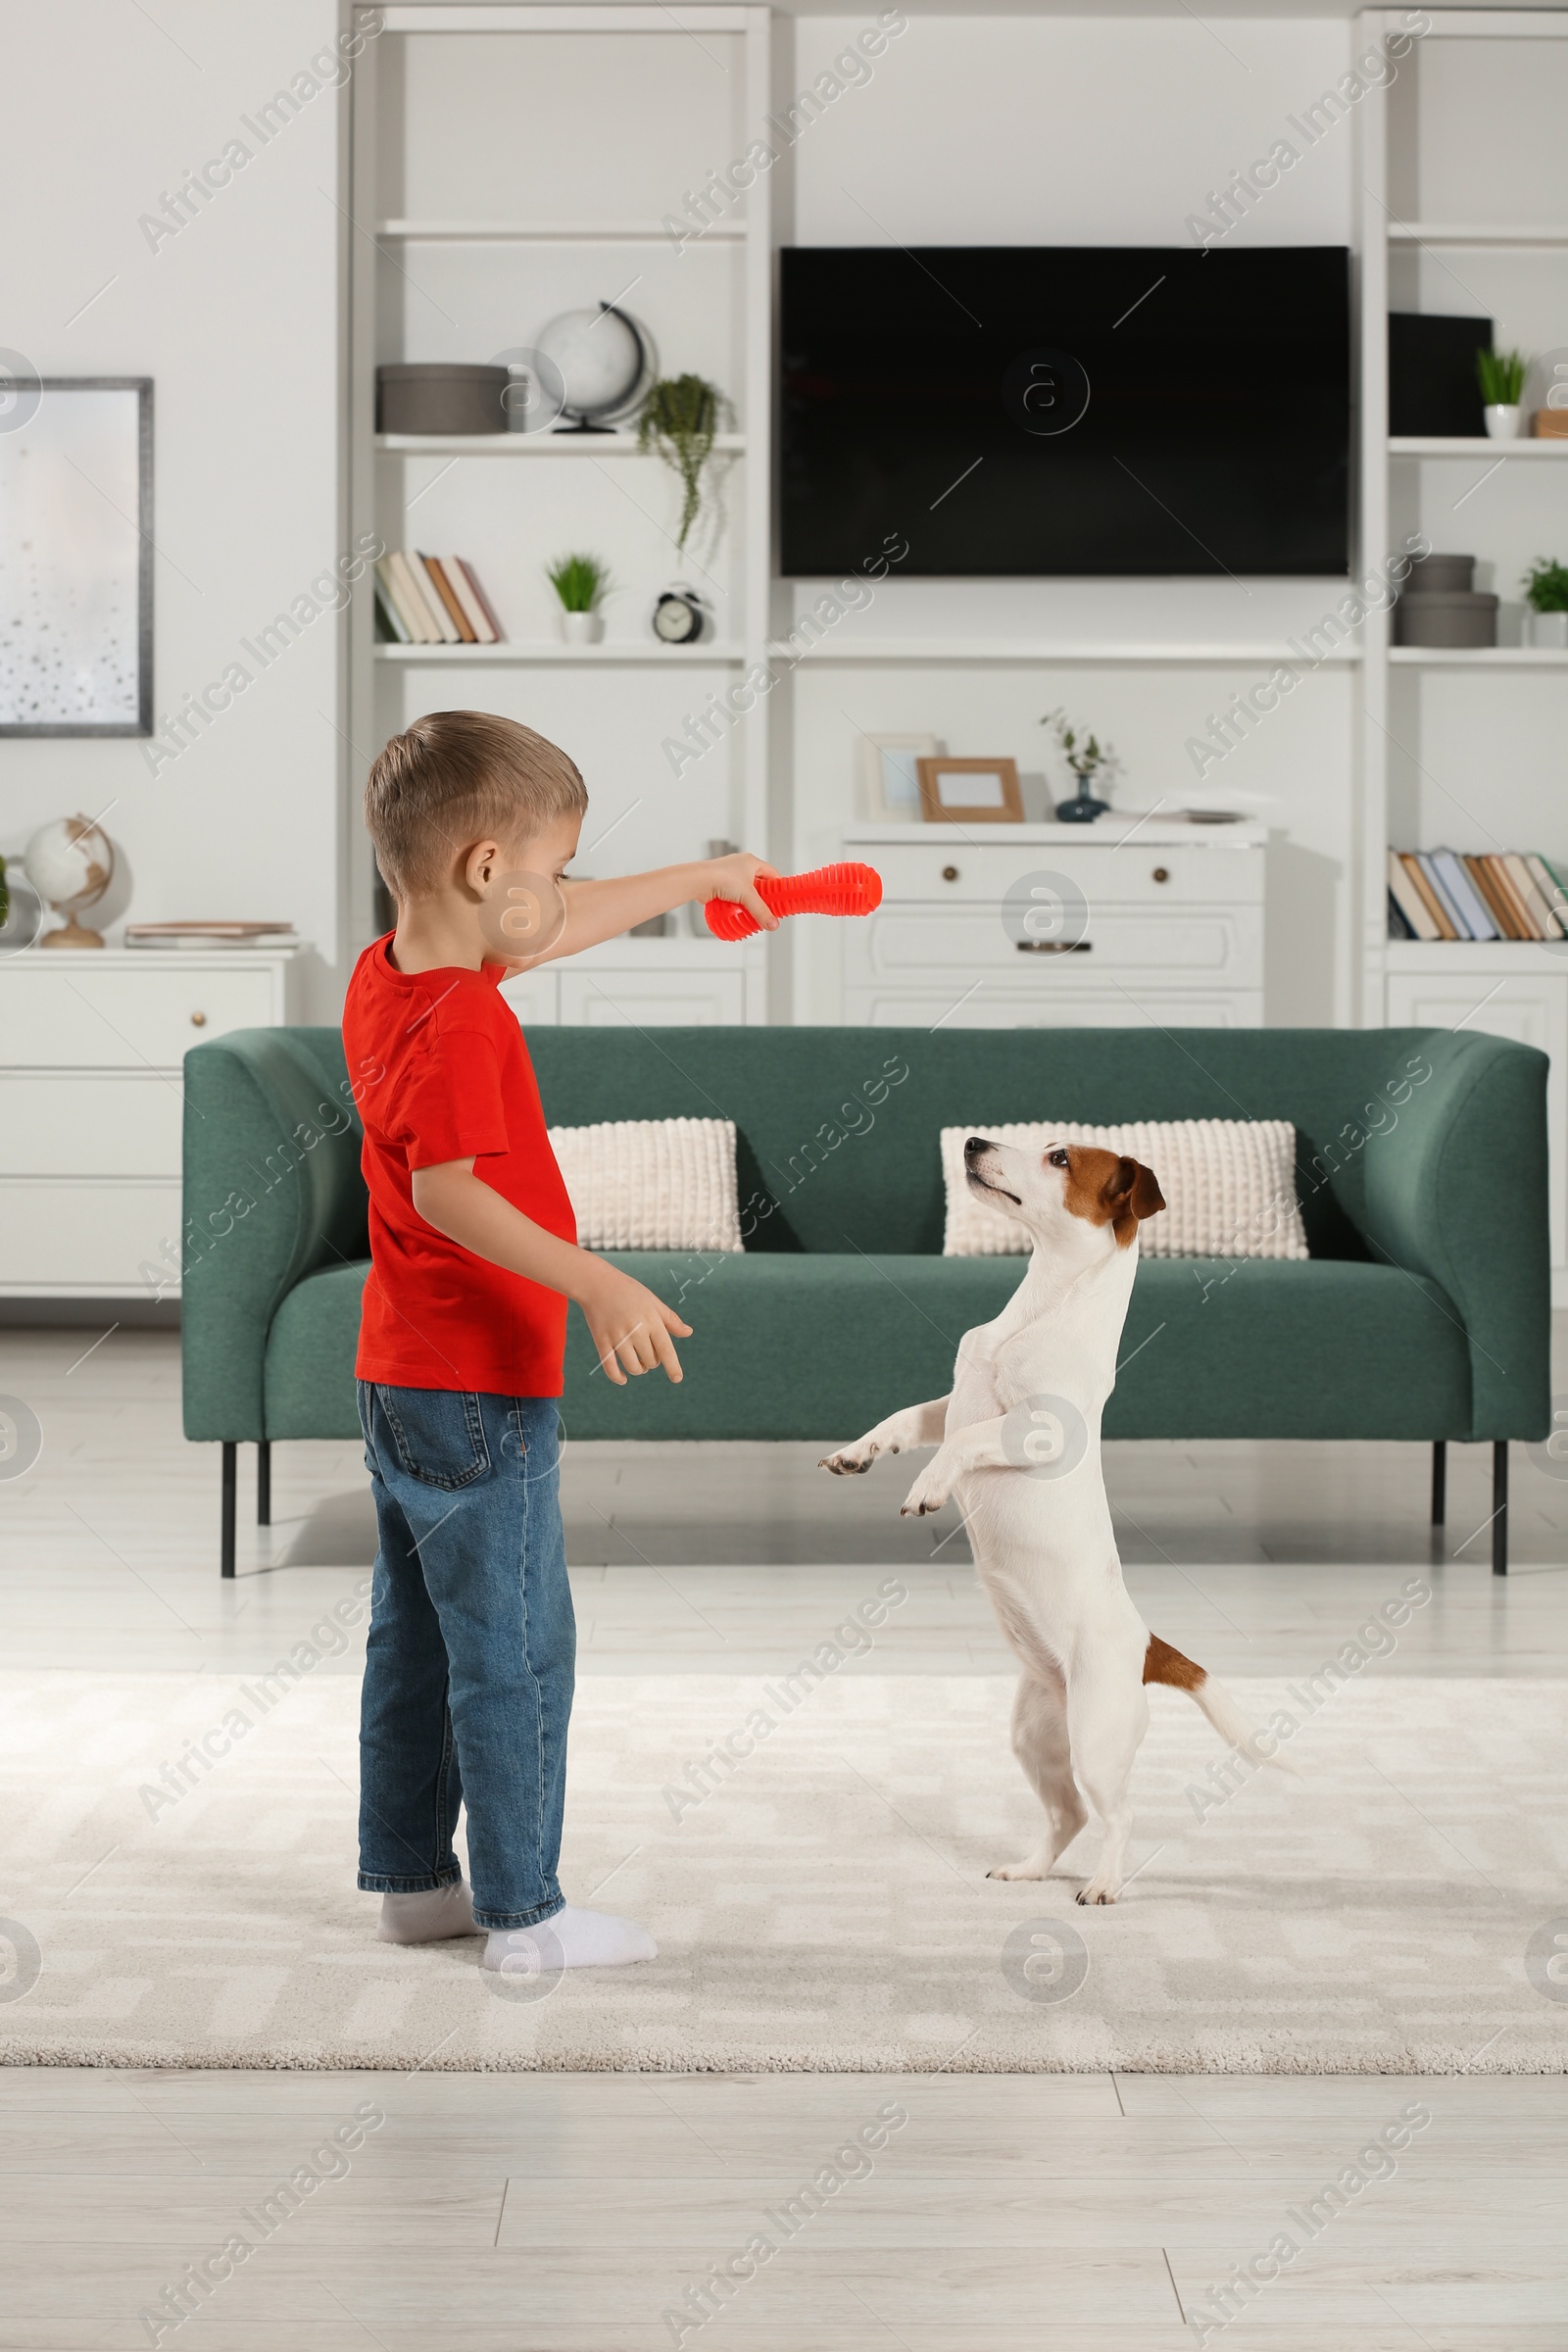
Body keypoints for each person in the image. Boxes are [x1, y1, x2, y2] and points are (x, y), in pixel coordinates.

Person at [344, 709, 777, 1976]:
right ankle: (525, 1916)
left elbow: (550, 928)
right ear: (489, 872)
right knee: (518, 1645)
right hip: (481, 1379)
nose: (565, 894)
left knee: (418, 1635)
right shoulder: (470, 1022)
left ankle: (414, 1879)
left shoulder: (397, 974)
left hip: (399, 1368)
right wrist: (598, 1282)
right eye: (555, 867)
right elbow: (452, 1192)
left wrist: (704, 880)